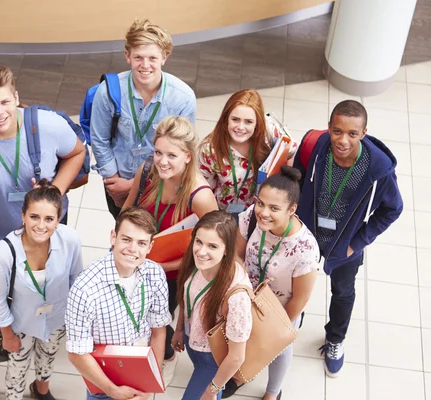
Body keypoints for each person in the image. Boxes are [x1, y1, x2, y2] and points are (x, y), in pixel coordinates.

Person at [0, 64, 86, 355]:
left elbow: (77, 152)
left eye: (5, 102)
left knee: (49, 278)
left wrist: (54, 192)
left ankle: (45, 323)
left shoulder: (47, 126)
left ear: (16, 96)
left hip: (49, 228)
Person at [293, 100, 403, 377]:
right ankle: (294, 315)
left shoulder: (378, 170)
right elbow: (297, 178)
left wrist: (358, 242)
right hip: (306, 237)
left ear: (363, 133)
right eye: (337, 131)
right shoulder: (316, 146)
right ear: (329, 128)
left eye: (352, 134)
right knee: (294, 282)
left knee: (343, 292)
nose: (343, 140)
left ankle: (335, 340)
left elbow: (393, 209)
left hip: (344, 246)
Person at [122, 116, 218, 384]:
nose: (162, 161)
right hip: (138, 261)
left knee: (160, 320)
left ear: (188, 156)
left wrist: (162, 268)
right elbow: (127, 211)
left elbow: (211, 250)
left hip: (173, 273)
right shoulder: (149, 170)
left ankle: (166, 357)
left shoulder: (199, 196)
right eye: (158, 152)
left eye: (171, 155)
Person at [224, 166, 319, 399]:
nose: (263, 212)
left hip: (281, 308)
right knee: (241, 338)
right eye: (260, 203)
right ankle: (238, 375)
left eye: (274, 208)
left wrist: (276, 330)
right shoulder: (250, 217)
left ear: (292, 210)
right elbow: (237, 255)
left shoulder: (305, 249)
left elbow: (301, 297)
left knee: (279, 350)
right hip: (247, 295)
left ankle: (272, 392)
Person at [90, 19, 196, 219]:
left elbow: (183, 151)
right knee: (125, 230)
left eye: (152, 58)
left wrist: (133, 186)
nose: (145, 65)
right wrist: (115, 183)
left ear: (164, 57)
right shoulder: (109, 92)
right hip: (117, 180)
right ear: (127, 56)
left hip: (160, 184)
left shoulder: (183, 98)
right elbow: (99, 139)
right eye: (138, 57)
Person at [0, 180, 83, 400]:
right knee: (17, 368)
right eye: (34, 217)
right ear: (23, 216)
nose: (41, 226)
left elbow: (76, 278)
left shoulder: (70, 240)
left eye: (49, 219)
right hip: (21, 323)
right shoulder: (3, 253)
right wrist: (7, 335)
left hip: (57, 319)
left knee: (47, 357)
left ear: (58, 220)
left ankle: (41, 390)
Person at [65, 207, 172, 400]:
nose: (132, 249)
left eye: (141, 243)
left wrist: (148, 385)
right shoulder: (84, 289)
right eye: (126, 239)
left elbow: (158, 331)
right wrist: (112, 390)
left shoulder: (155, 274)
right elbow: (76, 354)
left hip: (141, 373)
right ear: (113, 237)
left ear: (150, 246)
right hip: (105, 380)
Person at [171, 211, 252, 400]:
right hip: (193, 342)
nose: (201, 251)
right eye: (198, 242)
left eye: (212, 246)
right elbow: (187, 295)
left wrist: (212, 389)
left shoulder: (237, 296)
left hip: (213, 358)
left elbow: (237, 357)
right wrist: (180, 328)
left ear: (226, 249)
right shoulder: (196, 261)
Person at [199, 89, 298, 216]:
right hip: (222, 211)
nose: (240, 127)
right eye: (235, 119)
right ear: (226, 119)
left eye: (248, 122)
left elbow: (292, 151)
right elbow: (204, 190)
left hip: (261, 210)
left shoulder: (269, 131)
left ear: (257, 123)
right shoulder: (210, 149)